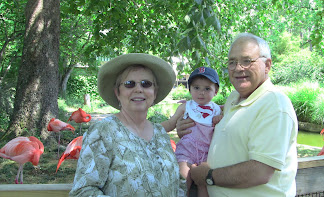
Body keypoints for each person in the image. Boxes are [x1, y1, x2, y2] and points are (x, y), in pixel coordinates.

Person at [176, 33, 298, 196]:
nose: (238, 68)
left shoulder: (274, 104)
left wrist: (208, 177)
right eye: (232, 62)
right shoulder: (234, 98)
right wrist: (187, 127)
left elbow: (260, 171)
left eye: (247, 61)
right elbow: (212, 119)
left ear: (267, 65)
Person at [70, 53, 182, 197]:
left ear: (154, 93)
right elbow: (82, 191)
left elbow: (175, 185)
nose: (138, 89)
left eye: (146, 83)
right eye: (130, 84)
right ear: (118, 92)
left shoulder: (160, 133)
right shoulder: (103, 132)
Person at [162, 67, 222, 197]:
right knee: (183, 178)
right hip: (187, 150)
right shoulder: (186, 107)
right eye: (196, 88)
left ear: (215, 91)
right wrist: (149, 127)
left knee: (204, 184)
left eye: (207, 89)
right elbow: (170, 124)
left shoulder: (217, 110)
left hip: (207, 154)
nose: (201, 93)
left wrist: (220, 119)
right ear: (189, 89)